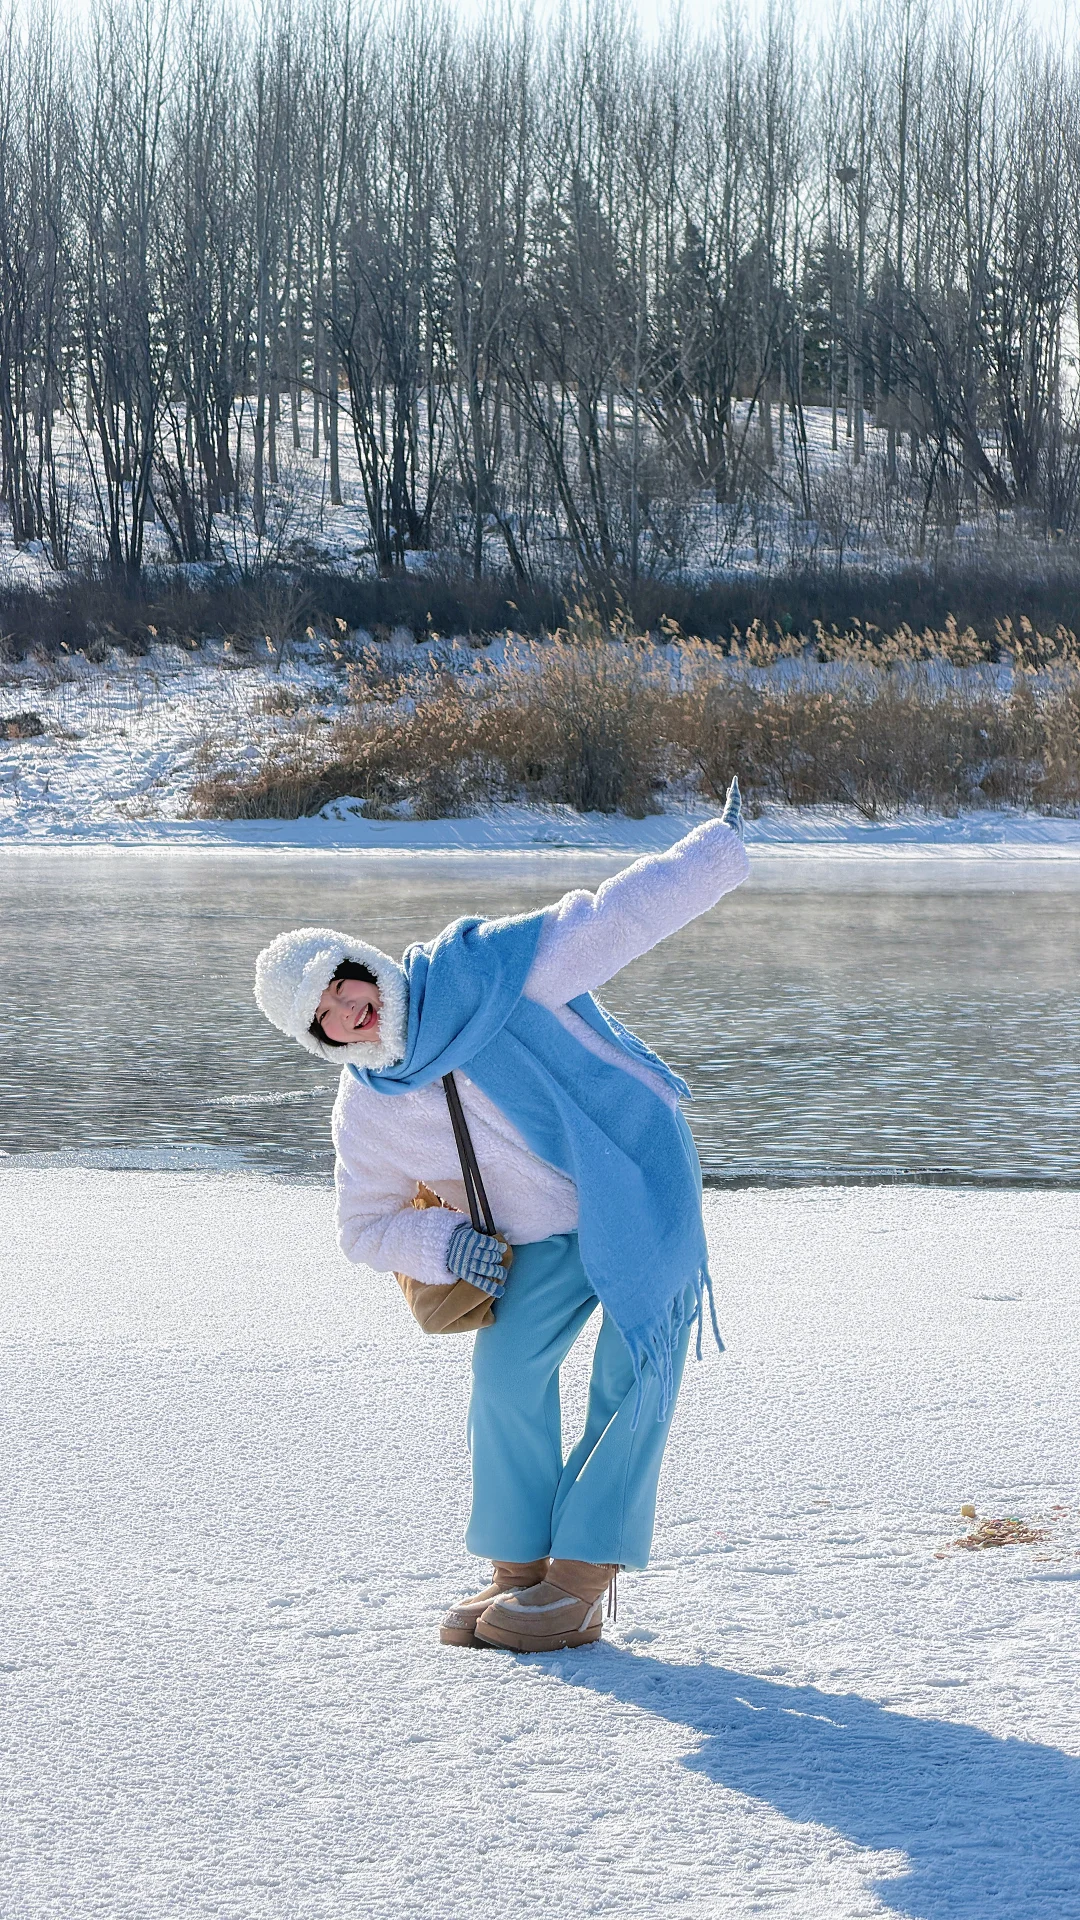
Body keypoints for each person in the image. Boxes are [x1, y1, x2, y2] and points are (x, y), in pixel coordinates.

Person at [253, 784, 748, 1653]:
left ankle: (583, 1580)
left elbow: (614, 919)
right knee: (506, 1382)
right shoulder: (368, 1104)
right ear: (318, 1041)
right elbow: (361, 1225)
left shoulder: (484, 972)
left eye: (343, 985)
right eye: (323, 1020)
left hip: (633, 1186)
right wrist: (446, 1242)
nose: (348, 1014)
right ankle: (518, 1572)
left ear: (363, 963)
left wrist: (712, 853)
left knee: (633, 1373)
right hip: (532, 1243)